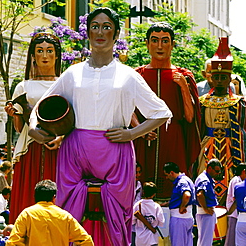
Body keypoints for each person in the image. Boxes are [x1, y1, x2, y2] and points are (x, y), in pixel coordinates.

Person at [28, 8, 172, 246]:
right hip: (75, 151)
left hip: (116, 152)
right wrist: (34, 129)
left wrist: (132, 133)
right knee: (68, 216)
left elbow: (162, 113)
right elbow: (39, 109)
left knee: (116, 219)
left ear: (116, 34)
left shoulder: (128, 76)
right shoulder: (72, 73)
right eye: (95, 26)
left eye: (107, 27)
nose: (100, 32)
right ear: (88, 32)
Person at [133, 22, 201, 199]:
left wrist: (184, 88)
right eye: (154, 40)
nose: (160, 46)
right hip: (144, 140)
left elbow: (190, 117)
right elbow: (127, 108)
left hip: (174, 139)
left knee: (174, 191)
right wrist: (139, 129)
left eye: (165, 41)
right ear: (147, 44)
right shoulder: (137, 75)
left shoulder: (184, 75)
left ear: (172, 44)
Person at [4, 32, 62, 223]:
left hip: (58, 146)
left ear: (56, 54)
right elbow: (20, 128)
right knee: (29, 188)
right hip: (30, 146)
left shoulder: (65, 83)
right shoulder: (23, 86)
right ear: (33, 56)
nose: (45, 56)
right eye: (40, 51)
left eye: (49, 51)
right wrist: (14, 115)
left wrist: (60, 138)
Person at [197, 37, 246, 199]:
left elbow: (243, 133)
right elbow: (198, 130)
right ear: (211, 78)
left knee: (230, 186)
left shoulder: (239, 102)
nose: (220, 81)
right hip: (207, 147)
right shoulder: (202, 101)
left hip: (230, 150)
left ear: (230, 79)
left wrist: (241, 161)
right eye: (217, 77)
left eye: (224, 77)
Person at [6, 180, 93, 245]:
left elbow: (13, 242)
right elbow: (86, 241)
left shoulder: (27, 214)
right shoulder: (65, 216)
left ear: (35, 196)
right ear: (54, 197)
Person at [163, 162, 195, 246]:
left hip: (179, 219)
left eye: (167, 175)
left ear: (172, 173)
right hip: (187, 217)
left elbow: (187, 195)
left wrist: (182, 207)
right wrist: (168, 203)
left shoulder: (181, 181)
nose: (167, 178)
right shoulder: (187, 179)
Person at [195, 159, 222, 246]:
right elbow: (200, 195)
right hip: (205, 214)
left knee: (203, 240)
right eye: (217, 171)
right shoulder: (204, 180)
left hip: (204, 213)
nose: (218, 173)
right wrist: (205, 209)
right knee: (205, 242)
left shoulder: (204, 178)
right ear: (209, 168)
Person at [132, 182, 165, 246]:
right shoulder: (157, 206)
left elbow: (132, 221)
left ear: (143, 192)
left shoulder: (137, 205)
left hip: (140, 239)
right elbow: (161, 222)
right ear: (154, 194)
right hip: (152, 239)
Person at [225, 163, 246, 246]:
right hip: (233, 213)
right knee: (231, 237)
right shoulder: (236, 181)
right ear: (243, 172)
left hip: (236, 213)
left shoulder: (240, 180)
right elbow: (236, 198)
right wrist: (229, 212)